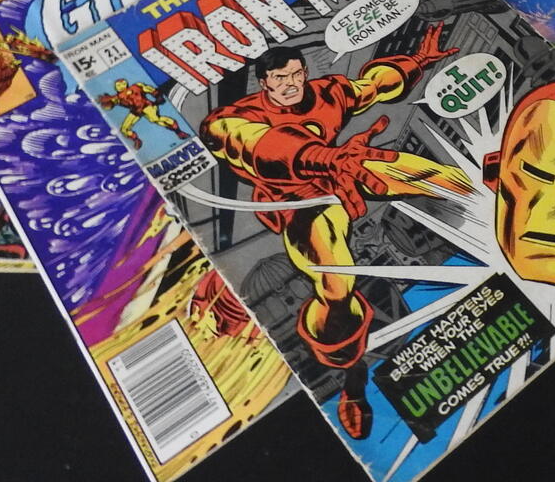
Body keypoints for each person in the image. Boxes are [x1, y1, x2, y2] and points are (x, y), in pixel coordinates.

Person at [199, 33, 466, 439]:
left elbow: (373, 85)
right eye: (279, 79)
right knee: (337, 286)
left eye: (295, 75)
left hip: (345, 169)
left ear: (304, 72)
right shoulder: (229, 121)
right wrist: (325, 157)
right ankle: (353, 386)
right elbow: (255, 145)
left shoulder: (327, 94)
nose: (290, 85)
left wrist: (416, 62)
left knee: (442, 179)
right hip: (301, 203)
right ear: (264, 83)